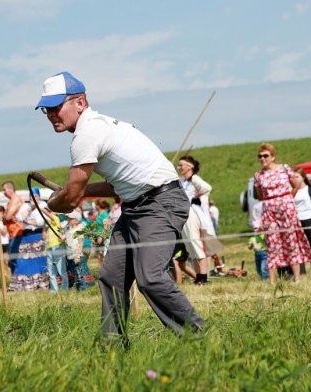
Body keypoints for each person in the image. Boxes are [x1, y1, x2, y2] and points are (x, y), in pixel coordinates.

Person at [35, 71, 204, 343]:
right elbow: (117, 186)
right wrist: (73, 192)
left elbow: (70, 201)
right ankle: (112, 347)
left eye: (57, 106)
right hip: (137, 205)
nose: (51, 114)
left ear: (80, 103)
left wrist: (57, 201)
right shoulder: (101, 127)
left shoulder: (87, 134)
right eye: (46, 109)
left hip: (160, 203)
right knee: (112, 277)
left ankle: (201, 339)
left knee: (150, 277)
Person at [253, 143, 311, 283]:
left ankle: (297, 277)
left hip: (286, 208)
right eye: (260, 156)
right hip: (269, 209)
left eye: (265, 155)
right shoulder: (258, 175)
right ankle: (272, 280)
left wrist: (287, 199)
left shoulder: (284, 168)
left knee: (291, 240)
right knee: (272, 242)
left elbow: (296, 184)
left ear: (273, 156)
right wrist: (271, 202)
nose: (262, 158)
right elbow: (260, 195)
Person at [177, 155, 222, 285]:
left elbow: (207, 188)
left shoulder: (194, 179)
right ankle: (198, 277)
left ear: (189, 167)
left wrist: (196, 196)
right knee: (191, 247)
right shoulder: (182, 181)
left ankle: (203, 278)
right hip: (185, 214)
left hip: (193, 215)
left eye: (181, 165)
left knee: (197, 246)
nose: (179, 167)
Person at [7, 188, 50, 291]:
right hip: (26, 238)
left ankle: (41, 284)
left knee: (40, 261)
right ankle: (24, 285)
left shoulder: (43, 205)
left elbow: (41, 221)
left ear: (39, 197)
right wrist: (30, 209)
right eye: (31, 196)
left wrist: (28, 221)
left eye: (35, 196)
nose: (33, 198)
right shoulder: (25, 206)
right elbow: (19, 218)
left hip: (39, 236)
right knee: (23, 260)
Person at [292, 167, 311, 274]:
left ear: (303, 177)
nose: (294, 179)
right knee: (299, 247)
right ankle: (301, 270)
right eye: (293, 177)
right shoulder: (293, 191)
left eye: (297, 176)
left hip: (310, 218)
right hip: (297, 220)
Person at [2, 180, 24, 274]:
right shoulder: (9, 202)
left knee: (14, 260)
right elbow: (4, 220)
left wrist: (6, 217)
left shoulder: (15, 199)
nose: (3, 192)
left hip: (18, 233)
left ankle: (18, 281)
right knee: (11, 260)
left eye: (4, 189)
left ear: (11, 189)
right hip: (11, 234)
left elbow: (6, 217)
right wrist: (7, 217)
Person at [45, 208, 68, 292]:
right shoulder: (49, 223)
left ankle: (64, 289)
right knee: (51, 269)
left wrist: (40, 207)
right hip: (49, 247)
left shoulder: (56, 218)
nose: (49, 213)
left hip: (57, 246)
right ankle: (53, 290)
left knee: (61, 269)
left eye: (51, 211)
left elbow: (48, 214)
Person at [63, 210, 87, 291]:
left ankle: (82, 290)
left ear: (76, 221)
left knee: (80, 275)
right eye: (68, 218)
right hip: (70, 257)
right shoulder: (68, 230)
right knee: (74, 275)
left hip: (77, 256)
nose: (68, 220)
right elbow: (62, 239)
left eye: (70, 219)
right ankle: (78, 289)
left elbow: (81, 243)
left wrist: (78, 256)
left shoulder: (79, 230)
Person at [93, 198, 111, 266]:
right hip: (97, 236)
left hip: (102, 237)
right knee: (99, 256)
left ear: (98, 205)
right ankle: (100, 271)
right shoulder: (99, 214)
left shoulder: (105, 214)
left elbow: (105, 227)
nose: (95, 206)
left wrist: (101, 237)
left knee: (103, 255)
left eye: (95, 205)